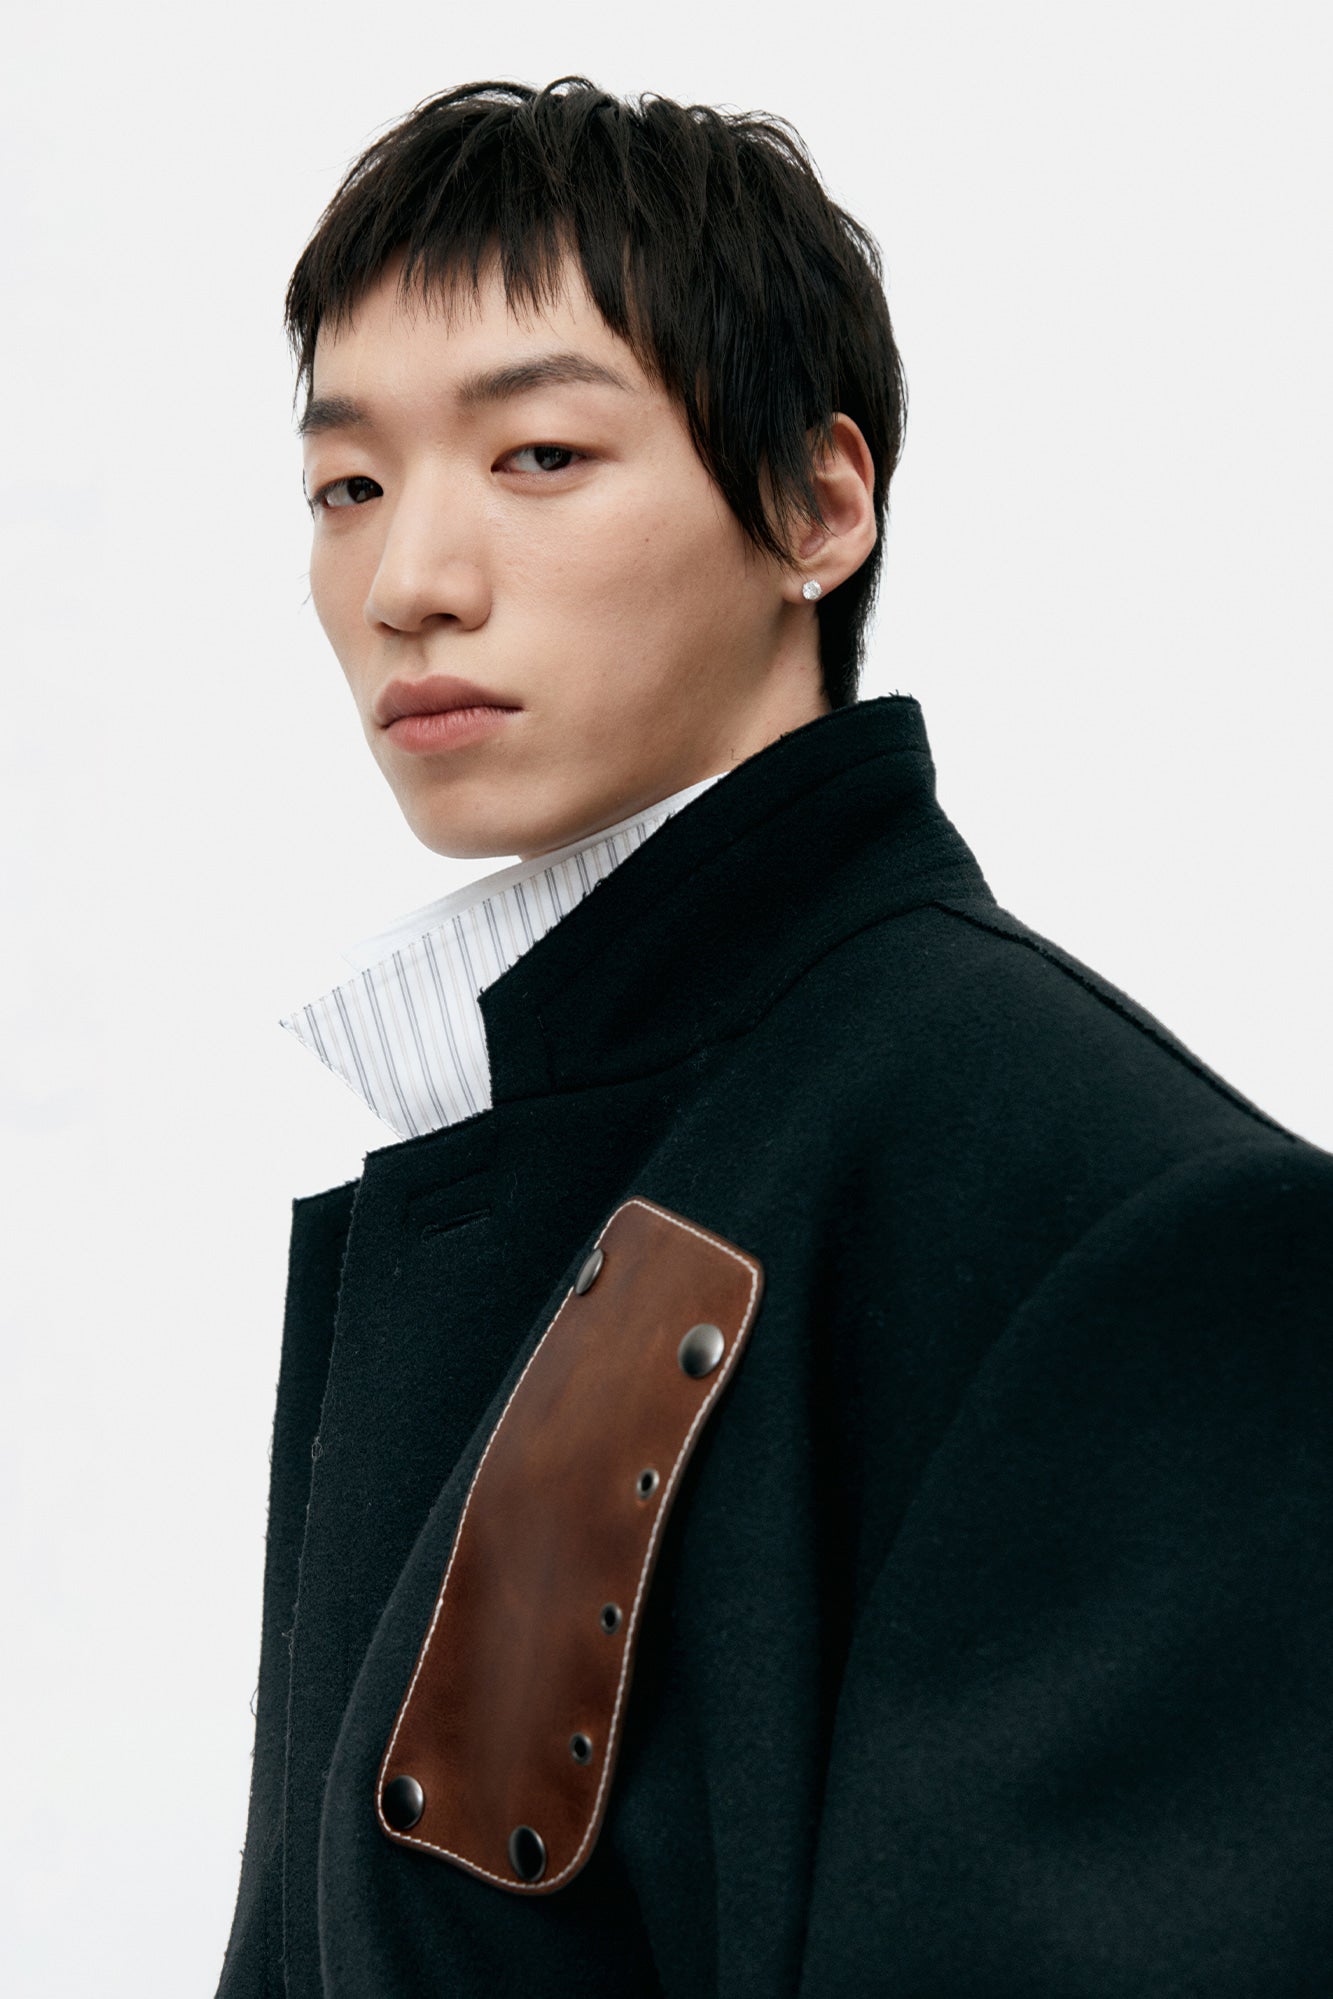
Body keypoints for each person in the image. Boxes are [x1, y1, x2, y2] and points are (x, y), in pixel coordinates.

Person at [215, 78, 1333, 1999]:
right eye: (350, 487)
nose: (409, 583)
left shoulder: (1119, 1225)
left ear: (818, 505)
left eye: (540, 455)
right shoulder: (546, 1134)